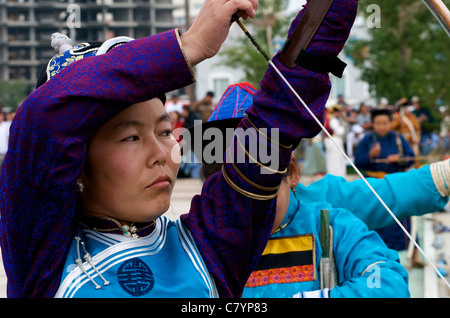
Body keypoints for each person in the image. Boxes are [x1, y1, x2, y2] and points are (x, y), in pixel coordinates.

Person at [0, 0, 359, 298]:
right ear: (75, 162)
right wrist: (188, 47)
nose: (162, 153)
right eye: (131, 137)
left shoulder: (209, 247)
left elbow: (279, 113)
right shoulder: (40, 258)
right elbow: (43, 119)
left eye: (164, 131)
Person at [194, 84, 450, 298]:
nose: (243, 204)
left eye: (259, 187)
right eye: (225, 192)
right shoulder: (193, 237)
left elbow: (386, 281)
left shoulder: (329, 220)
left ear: (291, 172)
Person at [355, 108, 416, 257]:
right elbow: (357, 162)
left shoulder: (398, 138)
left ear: (390, 123)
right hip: (374, 186)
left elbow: (411, 158)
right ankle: (375, 252)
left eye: (384, 123)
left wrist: (399, 158)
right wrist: (370, 154)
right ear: (373, 124)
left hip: (394, 185)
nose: (381, 126)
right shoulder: (368, 140)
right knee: (376, 218)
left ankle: (413, 253)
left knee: (400, 218)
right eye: (378, 123)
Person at [324, 105, 347, 177]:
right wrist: (342, 126)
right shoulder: (333, 120)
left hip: (329, 140)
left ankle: (332, 174)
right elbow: (340, 132)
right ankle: (337, 174)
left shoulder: (328, 119)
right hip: (334, 141)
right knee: (336, 159)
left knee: (331, 159)